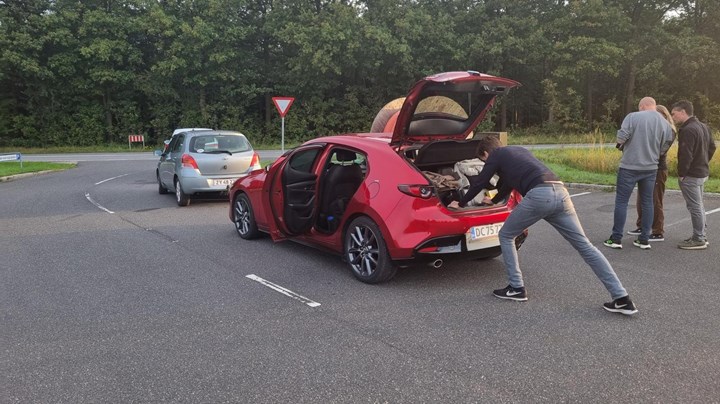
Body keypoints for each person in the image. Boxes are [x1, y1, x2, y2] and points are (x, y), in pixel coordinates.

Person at [447, 136, 638, 315]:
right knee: (585, 246)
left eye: (484, 160)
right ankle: (622, 298)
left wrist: (461, 203)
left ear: (486, 153)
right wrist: (494, 200)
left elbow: (480, 181)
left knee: (506, 235)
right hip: (561, 193)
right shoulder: (517, 151)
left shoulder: (495, 155)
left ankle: (516, 287)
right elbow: (507, 183)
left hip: (539, 196)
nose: (487, 164)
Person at [603, 97, 674, 250]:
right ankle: (643, 240)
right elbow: (666, 145)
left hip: (629, 166)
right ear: (654, 106)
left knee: (622, 202)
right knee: (648, 202)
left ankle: (616, 238)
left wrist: (623, 145)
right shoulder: (665, 123)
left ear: (642, 106)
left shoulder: (632, 117)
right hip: (651, 168)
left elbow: (621, 138)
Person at [670, 100, 717, 250]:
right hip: (701, 172)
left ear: (683, 112)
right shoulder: (703, 126)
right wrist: (704, 161)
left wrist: (682, 173)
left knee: (695, 206)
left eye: (674, 113)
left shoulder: (688, 129)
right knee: (699, 205)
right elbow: (712, 147)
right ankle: (700, 234)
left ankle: (699, 238)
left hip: (691, 175)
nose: (673, 117)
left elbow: (685, 154)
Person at [627, 105, 677, 242]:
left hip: (658, 169)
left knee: (655, 200)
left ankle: (658, 230)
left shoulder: (669, 131)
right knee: (641, 199)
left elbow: (660, 151)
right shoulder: (654, 128)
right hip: (646, 167)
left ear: (664, 115)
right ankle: (642, 226)